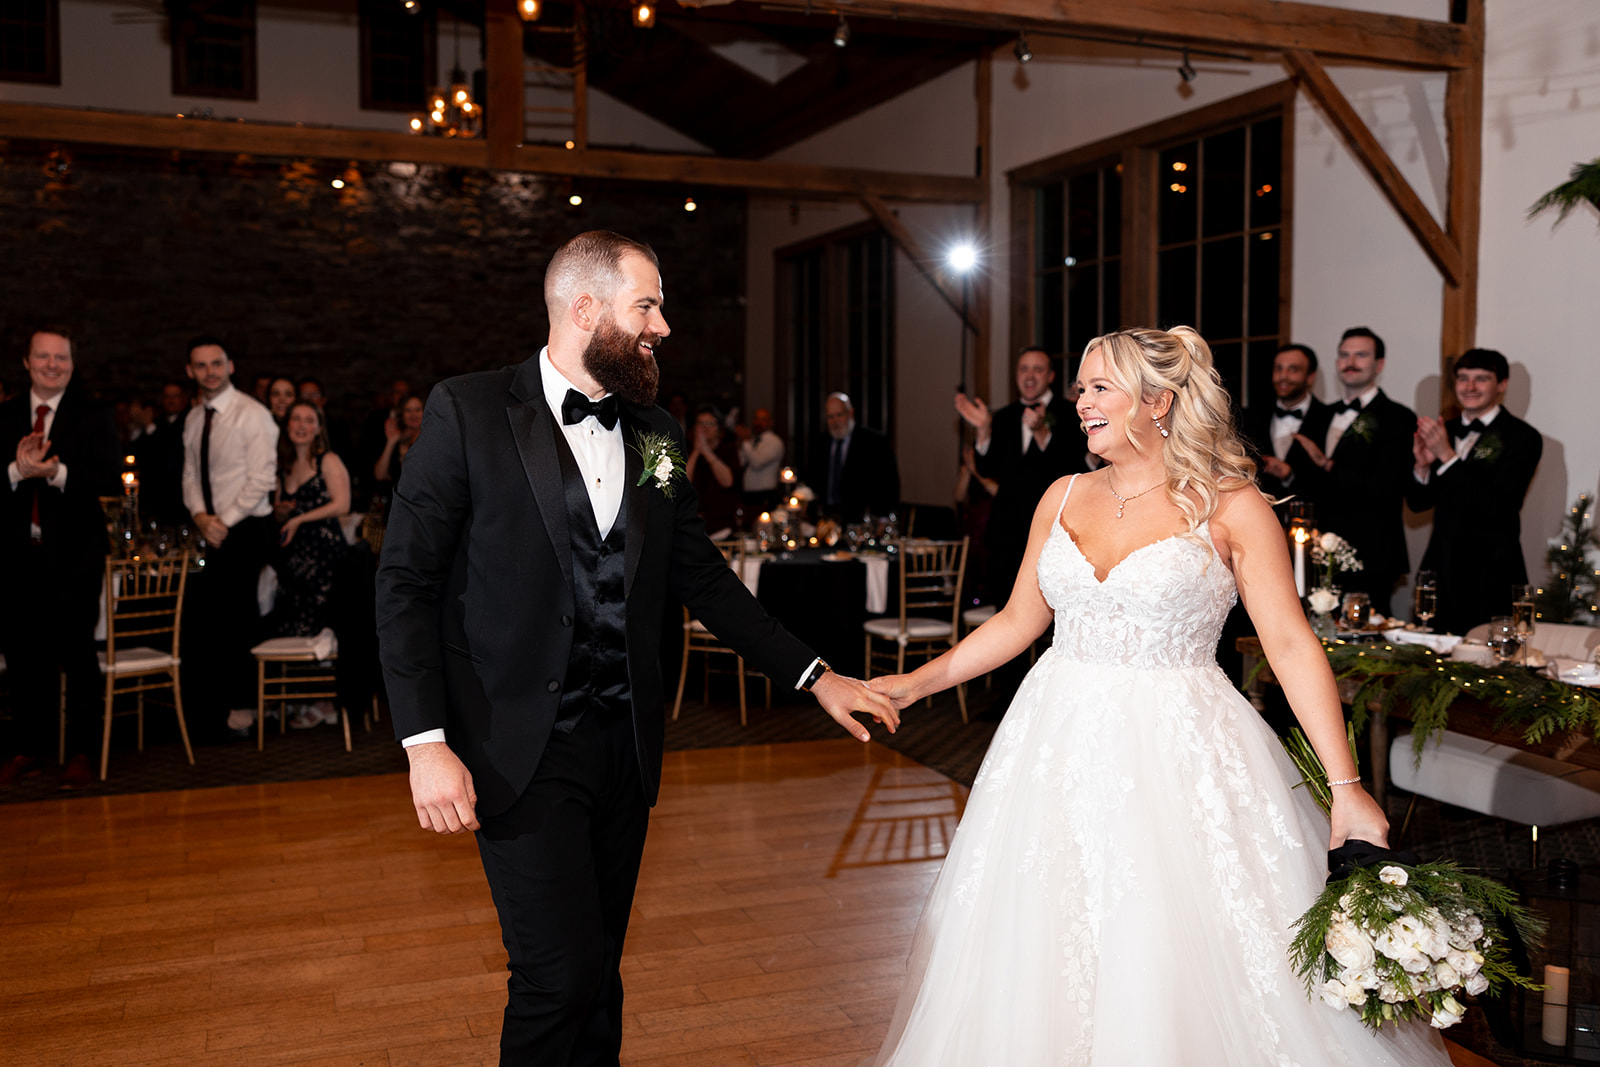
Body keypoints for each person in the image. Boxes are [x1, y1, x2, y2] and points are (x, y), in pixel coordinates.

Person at [374, 230, 898, 1067]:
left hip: (624, 746)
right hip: (515, 748)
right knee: (557, 973)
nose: (662, 325)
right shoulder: (467, 411)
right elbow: (404, 583)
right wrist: (425, 744)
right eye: (647, 304)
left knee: (599, 972)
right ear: (584, 309)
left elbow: (704, 576)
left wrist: (817, 675)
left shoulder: (654, 431)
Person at [863, 326, 1451, 1066]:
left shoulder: (1233, 505)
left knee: (1168, 936)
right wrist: (914, 682)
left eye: (1098, 387)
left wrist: (1346, 786)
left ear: (1158, 401)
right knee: (1044, 931)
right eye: (1081, 387)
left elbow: (1292, 645)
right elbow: (1018, 621)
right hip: (1054, 744)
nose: (1080, 402)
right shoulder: (1063, 493)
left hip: (1180, 750)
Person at [0, 326, 119, 789]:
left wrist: (57, 473)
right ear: (27, 362)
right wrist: (16, 470)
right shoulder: (4, 417)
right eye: (43, 356)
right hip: (15, 558)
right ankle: (29, 749)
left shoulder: (94, 415)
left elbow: (110, 479)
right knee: (24, 658)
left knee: (77, 656)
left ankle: (82, 753)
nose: (52, 364)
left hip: (75, 559)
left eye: (61, 358)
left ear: (72, 363)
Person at [182, 336, 280, 737]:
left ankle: (243, 709)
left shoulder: (252, 414)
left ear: (230, 365)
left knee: (239, 618)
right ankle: (211, 710)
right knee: (206, 622)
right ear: (190, 371)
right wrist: (202, 516)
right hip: (210, 528)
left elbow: (262, 478)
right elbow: (189, 474)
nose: (210, 371)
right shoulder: (193, 418)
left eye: (216, 363)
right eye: (201, 365)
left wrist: (224, 519)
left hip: (247, 529)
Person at [1407, 348, 1543, 634]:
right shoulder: (1447, 430)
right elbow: (1418, 504)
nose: (1469, 387)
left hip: (1490, 572)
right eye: (1463, 378)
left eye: (1481, 379)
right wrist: (1421, 468)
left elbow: (1500, 506)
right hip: (1441, 567)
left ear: (1501, 385)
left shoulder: (1522, 436)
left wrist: (1448, 457)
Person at [1292, 327, 1416, 605]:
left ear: (1379, 365)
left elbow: (1389, 487)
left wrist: (1329, 466)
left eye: (1361, 355)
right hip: (1316, 552)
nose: (1351, 362)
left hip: (1371, 551)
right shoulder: (1320, 415)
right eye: (1344, 355)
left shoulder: (1398, 417)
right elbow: (1307, 482)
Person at [269, 399, 352, 728]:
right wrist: (283, 514)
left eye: (309, 420)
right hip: (293, 557)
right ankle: (299, 696)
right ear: (287, 425)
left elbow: (343, 504)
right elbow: (277, 510)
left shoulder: (327, 460)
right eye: (296, 419)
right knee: (293, 621)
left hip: (325, 555)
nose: (301, 425)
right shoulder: (283, 466)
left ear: (318, 427)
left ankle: (327, 700)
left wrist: (301, 519)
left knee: (321, 624)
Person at [1240, 343, 1329, 506]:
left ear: (1310, 377)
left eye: (1293, 369)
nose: (1283, 376)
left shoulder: (1328, 418)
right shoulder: (1249, 417)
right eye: (1278, 369)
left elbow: (1331, 483)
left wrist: (1290, 476)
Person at [808, 391, 900, 517]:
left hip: (861, 517)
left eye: (839, 415)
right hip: (825, 516)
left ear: (850, 413)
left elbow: (889, 484)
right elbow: (812, 480)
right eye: (830, 417)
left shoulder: (874, 442)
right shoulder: (820, 443)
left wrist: (883, 517)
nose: (835, 421)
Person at [686, 404, 741, 535]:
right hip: (694, 525)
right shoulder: (687, 450)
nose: (705, 427)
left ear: (719, 428)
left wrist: (706, 451)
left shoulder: (729, 449)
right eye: (700, 423)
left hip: (723, 526)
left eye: (710, 423)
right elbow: (683, 482)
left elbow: (727, 481)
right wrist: (696, 452)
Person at [735, 406, 784, 509]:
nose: (758, 423)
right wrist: (740, 443)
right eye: (756, 419)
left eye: (763, 420)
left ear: (771, 422)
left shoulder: (774, 442)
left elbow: (757, 462)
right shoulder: (753, 441)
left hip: (765, 494)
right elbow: (742, 462)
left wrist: (745, 441)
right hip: (749, 494)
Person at [372, 394, 424, 488]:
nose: (413, 414)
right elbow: (380, 476)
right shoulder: (398, 441)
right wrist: (391, 442)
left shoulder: (430, 440)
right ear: (402, 414)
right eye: (408, 410)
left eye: (417, 410)